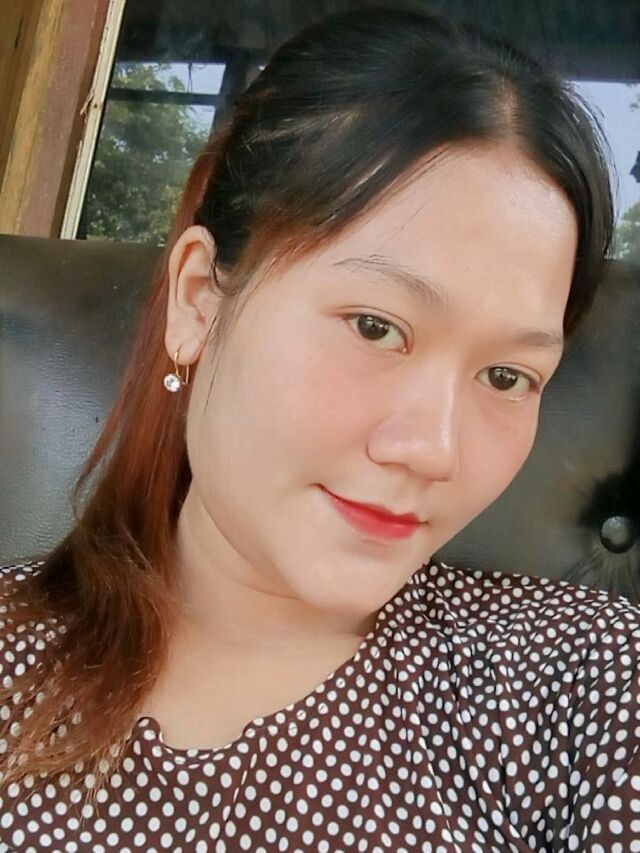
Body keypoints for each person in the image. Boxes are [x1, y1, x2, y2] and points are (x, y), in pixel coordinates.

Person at [0, 6, 637, 851]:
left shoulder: (584, 680)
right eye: (376, 327)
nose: (434, 450)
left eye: (507, 376)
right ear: (199, 301)